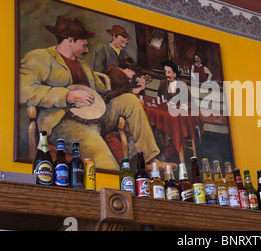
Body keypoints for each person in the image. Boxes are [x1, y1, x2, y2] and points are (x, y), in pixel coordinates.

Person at [19, 15, 159, 171]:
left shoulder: (83, 66)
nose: (87, 50)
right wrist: (67, 95)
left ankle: (150, 160)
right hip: (63, 122)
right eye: (84, 45)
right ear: (70, 40)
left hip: (97, 118)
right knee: (98, 149)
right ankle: (112, 187)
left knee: (129, 100)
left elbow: (104, 93)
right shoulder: (41, 58)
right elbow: (23, 90)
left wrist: (130, 92)